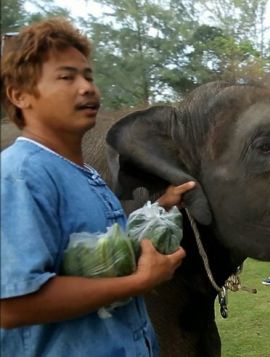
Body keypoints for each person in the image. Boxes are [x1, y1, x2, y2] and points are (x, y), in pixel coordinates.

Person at [0, 18, 193, 356]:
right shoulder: (20, 175)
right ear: (19, 95)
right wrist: (140, 282)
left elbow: (103, 250)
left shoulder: (81, 172)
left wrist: (162, 206)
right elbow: (13, 304)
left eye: (88, 76)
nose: (87, 87)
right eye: (66, 77)